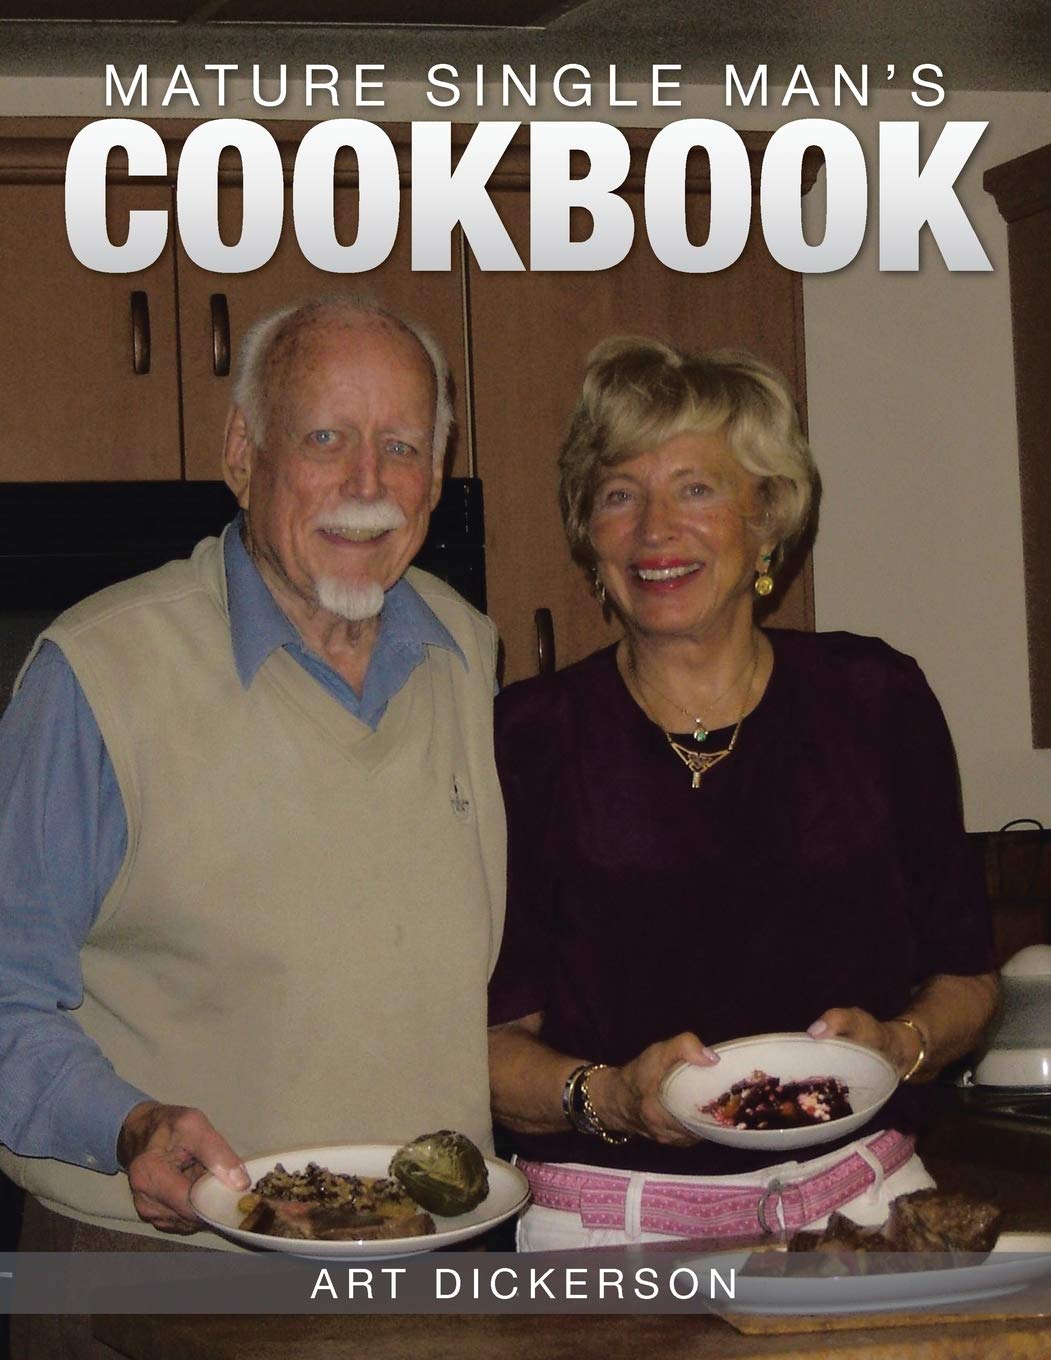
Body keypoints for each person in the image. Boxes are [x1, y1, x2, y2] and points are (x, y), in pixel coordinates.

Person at [0, 296, 505, 1270]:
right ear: (242, 453)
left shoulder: (465, 652)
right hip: (162, 1269)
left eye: (401, 446)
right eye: (325, 438)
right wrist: (128, 1126)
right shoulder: (99, 674)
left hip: (428, 1253)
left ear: (436, 474)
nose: (367, 484)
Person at [487, 337, 998, 1252]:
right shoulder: (527, 736)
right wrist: (612, 1097)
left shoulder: (875, 698)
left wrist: (900, 1046)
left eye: (695, 489)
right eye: (619, 494)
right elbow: (487, 1046)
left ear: (767, 517)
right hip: (610, 1236)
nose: (654, 530)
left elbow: (967, 978)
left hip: (864, 1211)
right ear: (588, 533)